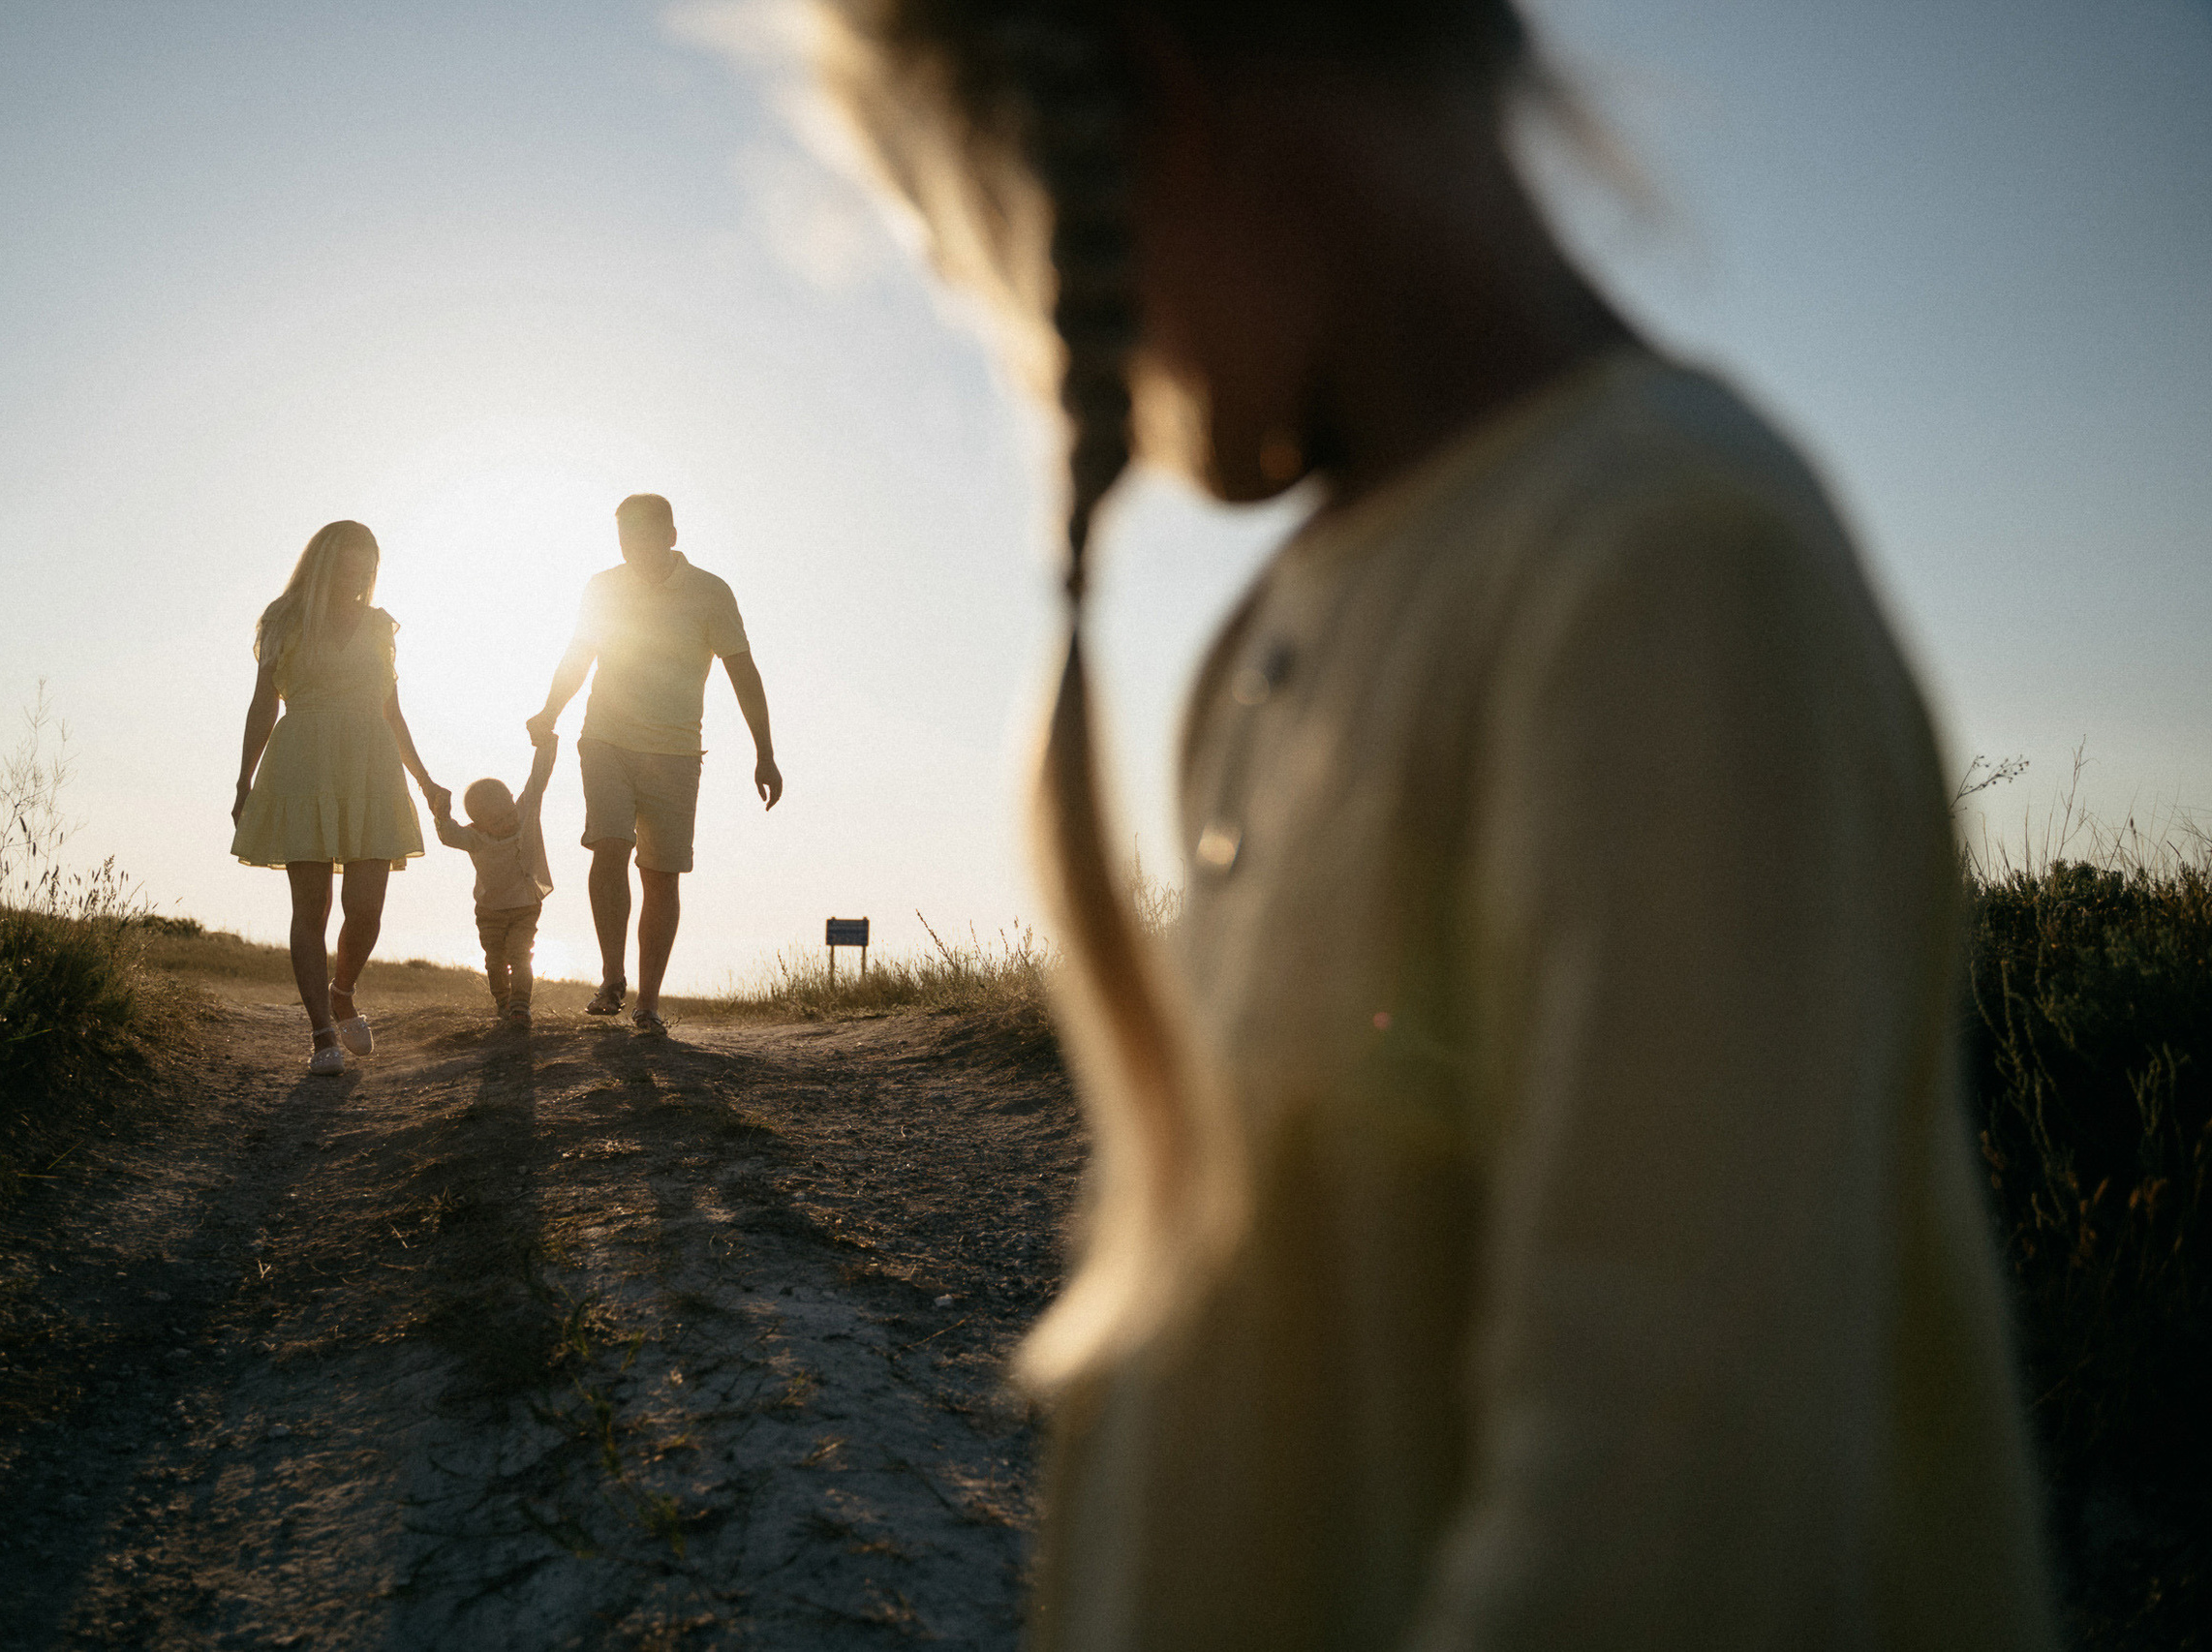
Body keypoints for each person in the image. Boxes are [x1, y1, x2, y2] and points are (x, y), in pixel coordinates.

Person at [814, 4, 2056, 1648]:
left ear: (1157, 115)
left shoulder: (1663, 571)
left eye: (1038, 267)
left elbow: (1660, 1508)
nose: (1064, 355)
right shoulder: (1290, 616)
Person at [527, 494, 783, 1033]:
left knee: (661, 876)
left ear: (671, 534)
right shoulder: (602, 587)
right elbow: (578, 655)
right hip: (606, 739)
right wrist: (550, 709)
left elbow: (744, 673)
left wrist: (765, 752)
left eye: (645, 535)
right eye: (624, 537)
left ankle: (648, 1003)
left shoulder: (711, 592)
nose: (634, 548)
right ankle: (612, 977)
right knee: (610, 844)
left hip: (675, 751)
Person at [230, 520, 450, 1076]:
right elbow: (263, 706)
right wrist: (243, 781)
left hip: (371, 768)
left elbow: (391, 711)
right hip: (302, 762)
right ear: (325, 562)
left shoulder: (380, 627)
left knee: (366, 911)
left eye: (367, 565)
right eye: (349, 563)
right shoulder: (282, 619)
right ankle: (321, 1035)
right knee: (311, 909)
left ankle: (343, 991)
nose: (359, 574)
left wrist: (425, 782)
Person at [431, 729, 561, 1027]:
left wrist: (546, 745)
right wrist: (441, 816)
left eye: (508, 813)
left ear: (513, 801)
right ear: (479, 823)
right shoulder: (475, 838)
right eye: (497, 821)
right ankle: (502, 1002)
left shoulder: (526, 813)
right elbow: (449, 835)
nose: (506, 822)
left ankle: (520, 1005)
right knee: (494, 959)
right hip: (489, 911)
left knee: (520, 953)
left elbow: (538, 778)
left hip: (525, 905)